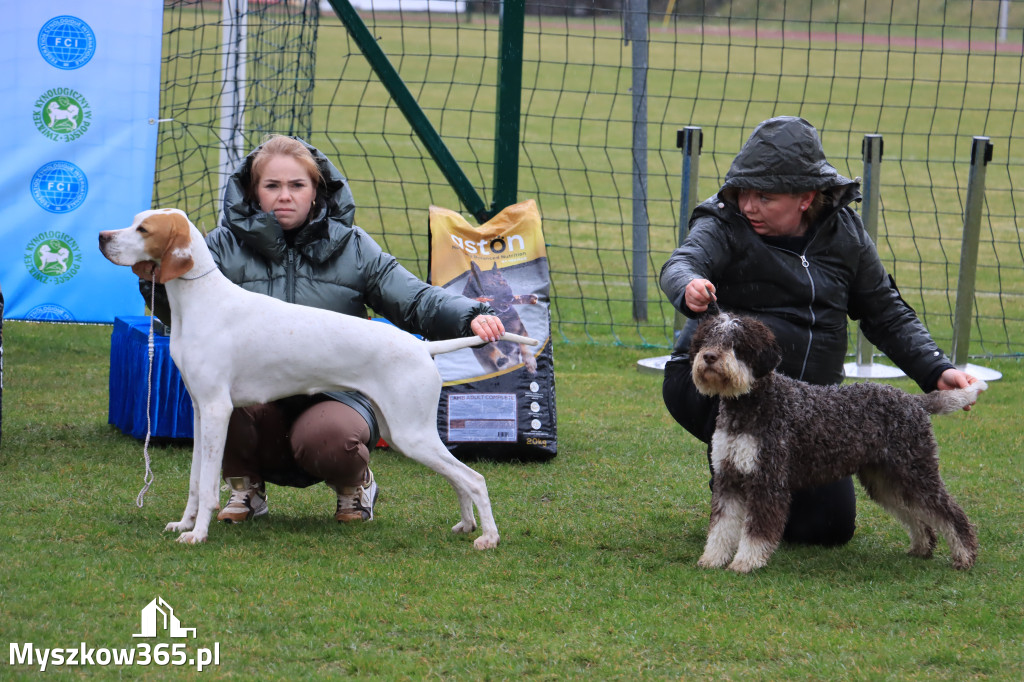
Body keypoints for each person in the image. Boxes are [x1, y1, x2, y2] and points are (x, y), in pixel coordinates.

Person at [141, 135, 506, 524]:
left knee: (337, 438)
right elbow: (182, 316)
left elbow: (414, 298)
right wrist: (156, 282)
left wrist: (467, 315)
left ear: (316, 190)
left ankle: (355, 487)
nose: (285, 196)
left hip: (336, 395)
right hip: (259, 398)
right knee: (214, 401)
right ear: (253, 192)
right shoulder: (220, 247)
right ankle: (244, 487)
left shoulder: (353, 246)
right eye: (272, 186)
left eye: (297, 185)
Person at [659, 116, 979, 546]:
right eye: (743, 192)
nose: (748, 205)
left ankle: (755, 479)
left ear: (806, 197)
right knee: (755, 463)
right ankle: (736, 472)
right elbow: (682, 261)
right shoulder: (721, 222)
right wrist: (688, 285)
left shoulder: (846, 233)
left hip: (812, 406)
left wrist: (935, 369)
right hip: (715, 381)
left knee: (825, 529)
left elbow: (885, 310)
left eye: (765, 196)